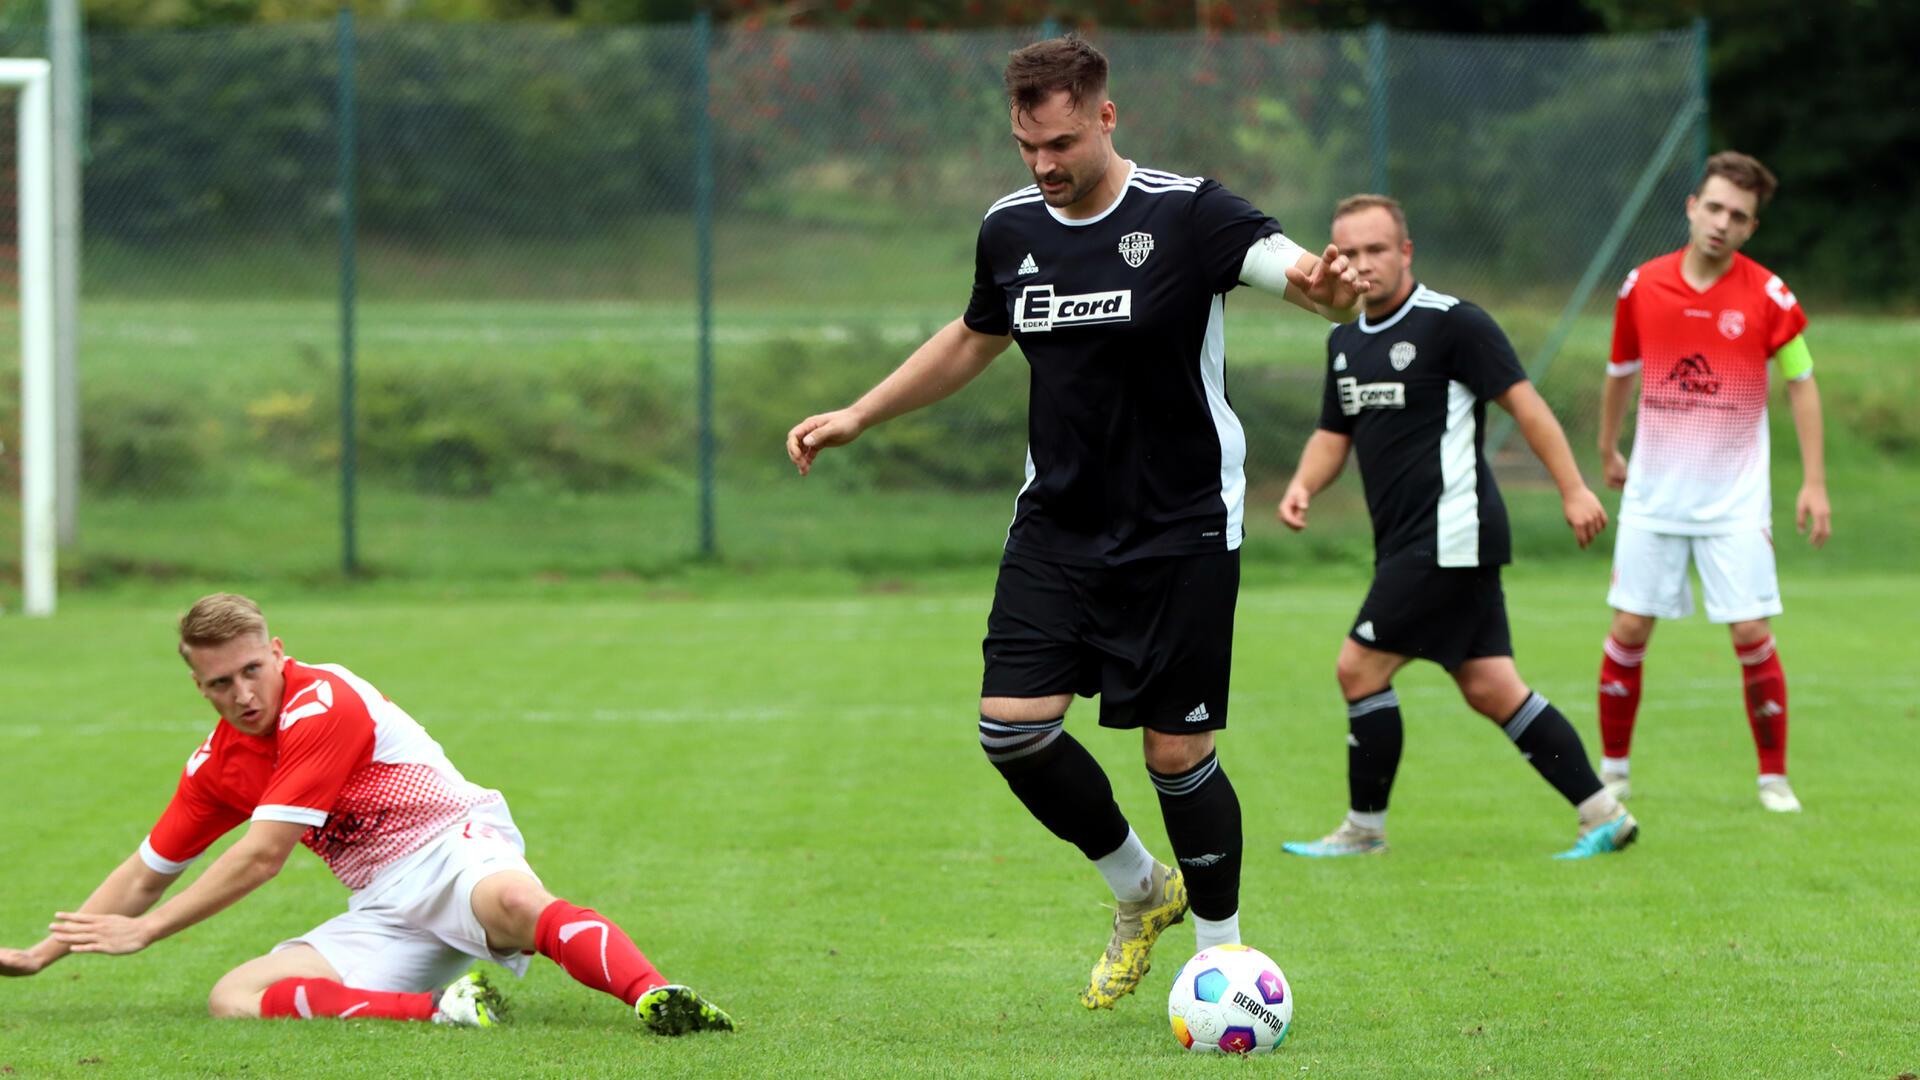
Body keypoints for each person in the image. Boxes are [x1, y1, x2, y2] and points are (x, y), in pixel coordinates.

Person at [785, 36, 1365, 1009]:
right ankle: (1142, 891)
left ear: (1105, 116)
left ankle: (1221, 963)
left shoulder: (1189, 212)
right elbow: (978, 334)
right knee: (1010, 731)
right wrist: (860, 413)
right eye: (1025, 147)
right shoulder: (1011, 228)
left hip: (1182, 525)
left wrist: (1329, 288)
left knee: (1175, 753)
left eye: (1059, 142)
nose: (1044, 165)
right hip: (1056, 523)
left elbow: (1294, 272)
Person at [0, 593, 734, 1034]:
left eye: (253, 670)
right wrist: (42, 953)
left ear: (278, 653)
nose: (244, 694)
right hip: (385, 904)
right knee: (234, 996)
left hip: (453, 849)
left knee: (514, 901)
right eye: (220, 683)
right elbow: (145, 873)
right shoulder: (216, 766)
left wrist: (151, 931)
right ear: (200, 687)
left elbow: (263, 857)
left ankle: (655, 997)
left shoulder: (325, 700)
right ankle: (448, 1010)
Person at [1276, 194, 1636, 861]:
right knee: (1492, 686)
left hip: (1451, 535)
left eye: (1376, 249)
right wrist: (1302, 485)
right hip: (1412, 543)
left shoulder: (1453, 324)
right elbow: (1334, 433)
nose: (1361, 265)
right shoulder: (1345, 340)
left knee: (1358, 668)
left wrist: (1574, 488)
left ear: (1405, 252)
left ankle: (1363, 829)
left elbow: (1526, 408)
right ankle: (1602, 812)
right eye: (1348, 253)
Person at [1594, 151, 1828, 813]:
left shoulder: (1769, 295)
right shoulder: (1642, 285)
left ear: (1752, 228)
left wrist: (1814, 481)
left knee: (1750, 632)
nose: (1723, 223)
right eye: (1716, 207)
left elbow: (1802, 383)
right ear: (1692, 206)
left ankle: (1773, 778)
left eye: (1740, 216)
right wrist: (1609, 449)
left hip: (1735, 500)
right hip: (1654, 495)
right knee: (1631, 626)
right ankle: (1613, 771)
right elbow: (1620, 372)